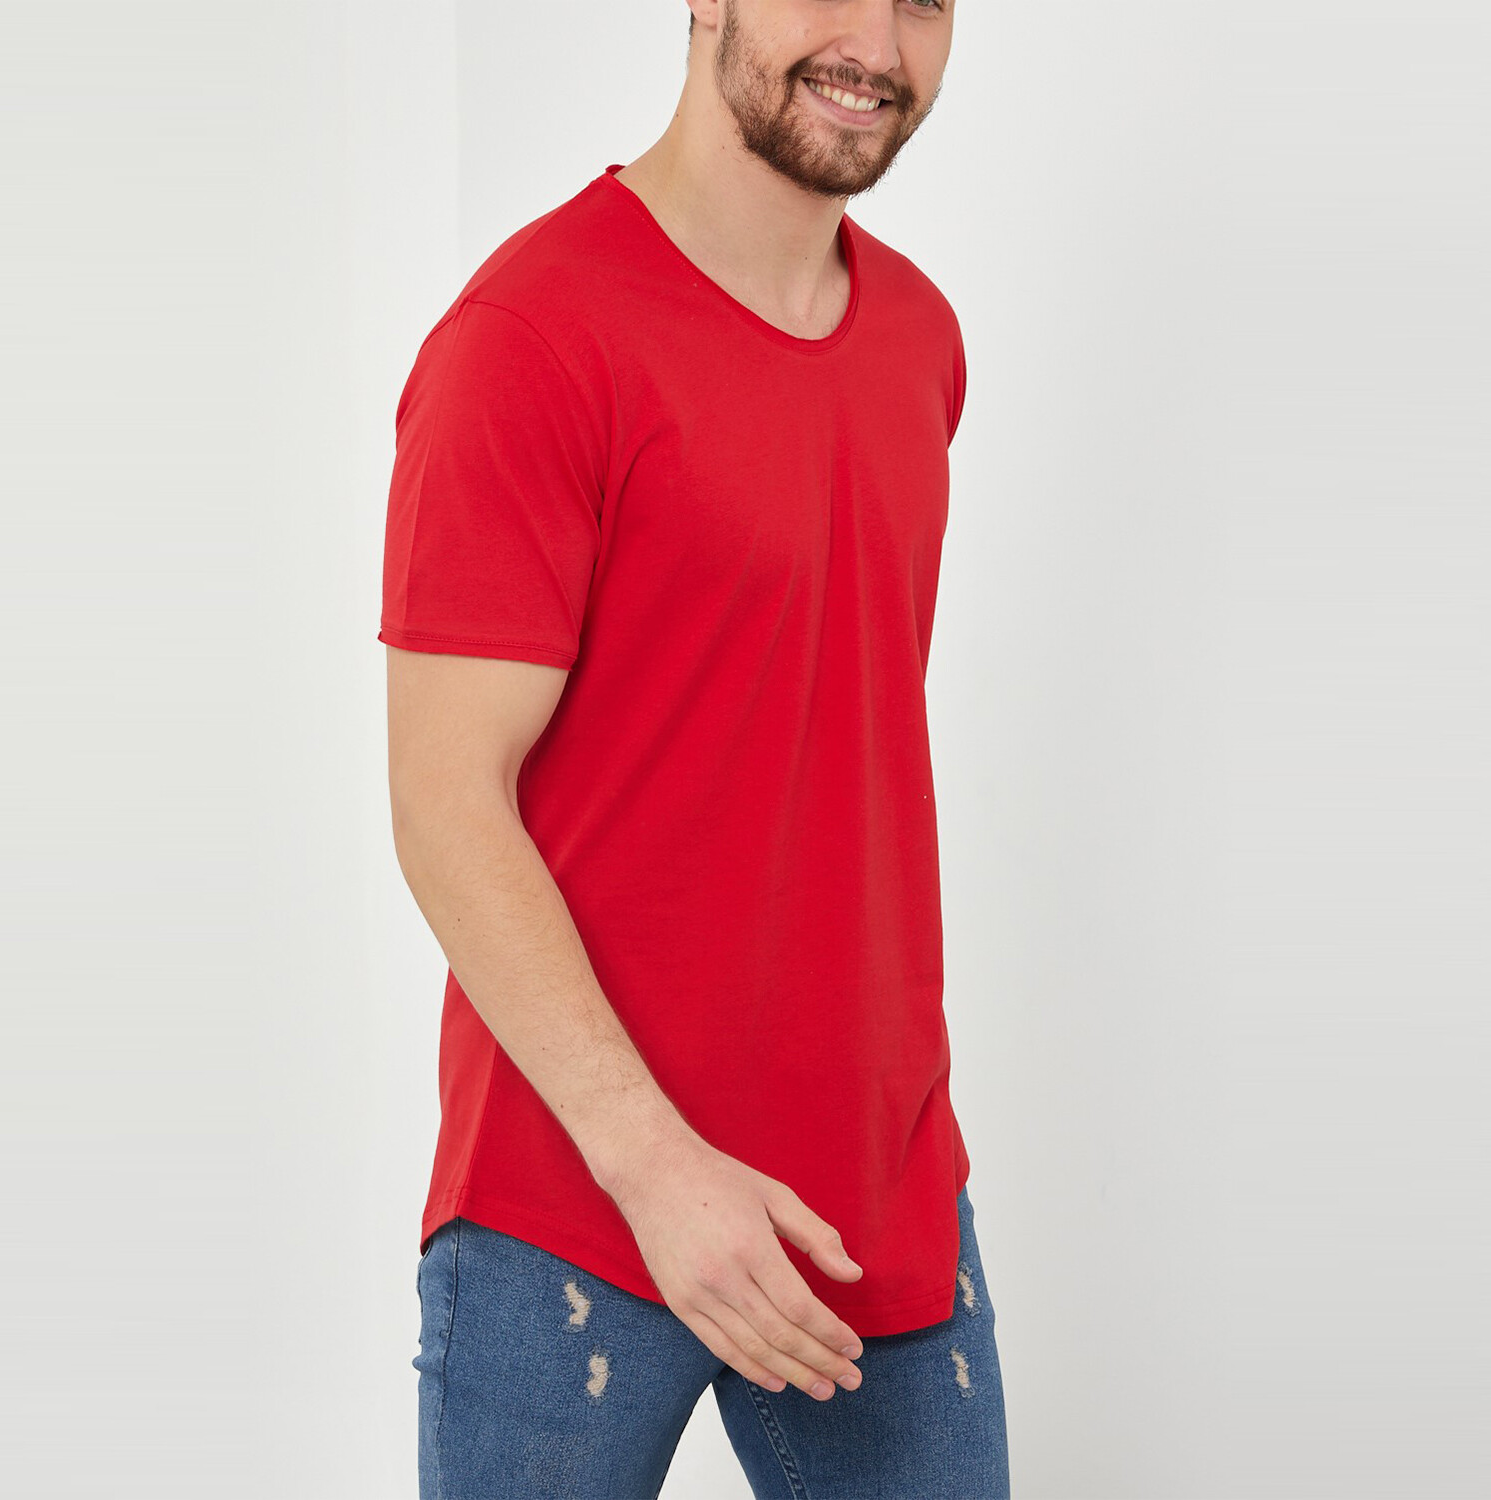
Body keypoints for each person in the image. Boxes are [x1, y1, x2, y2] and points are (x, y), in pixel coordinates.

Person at [379, 2, 1009, 1494]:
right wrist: (657, 1168)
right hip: (571, 1206)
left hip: (873, 1190)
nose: (876, 44)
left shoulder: (921, 338)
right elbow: (444, 800)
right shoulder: (531, 337)